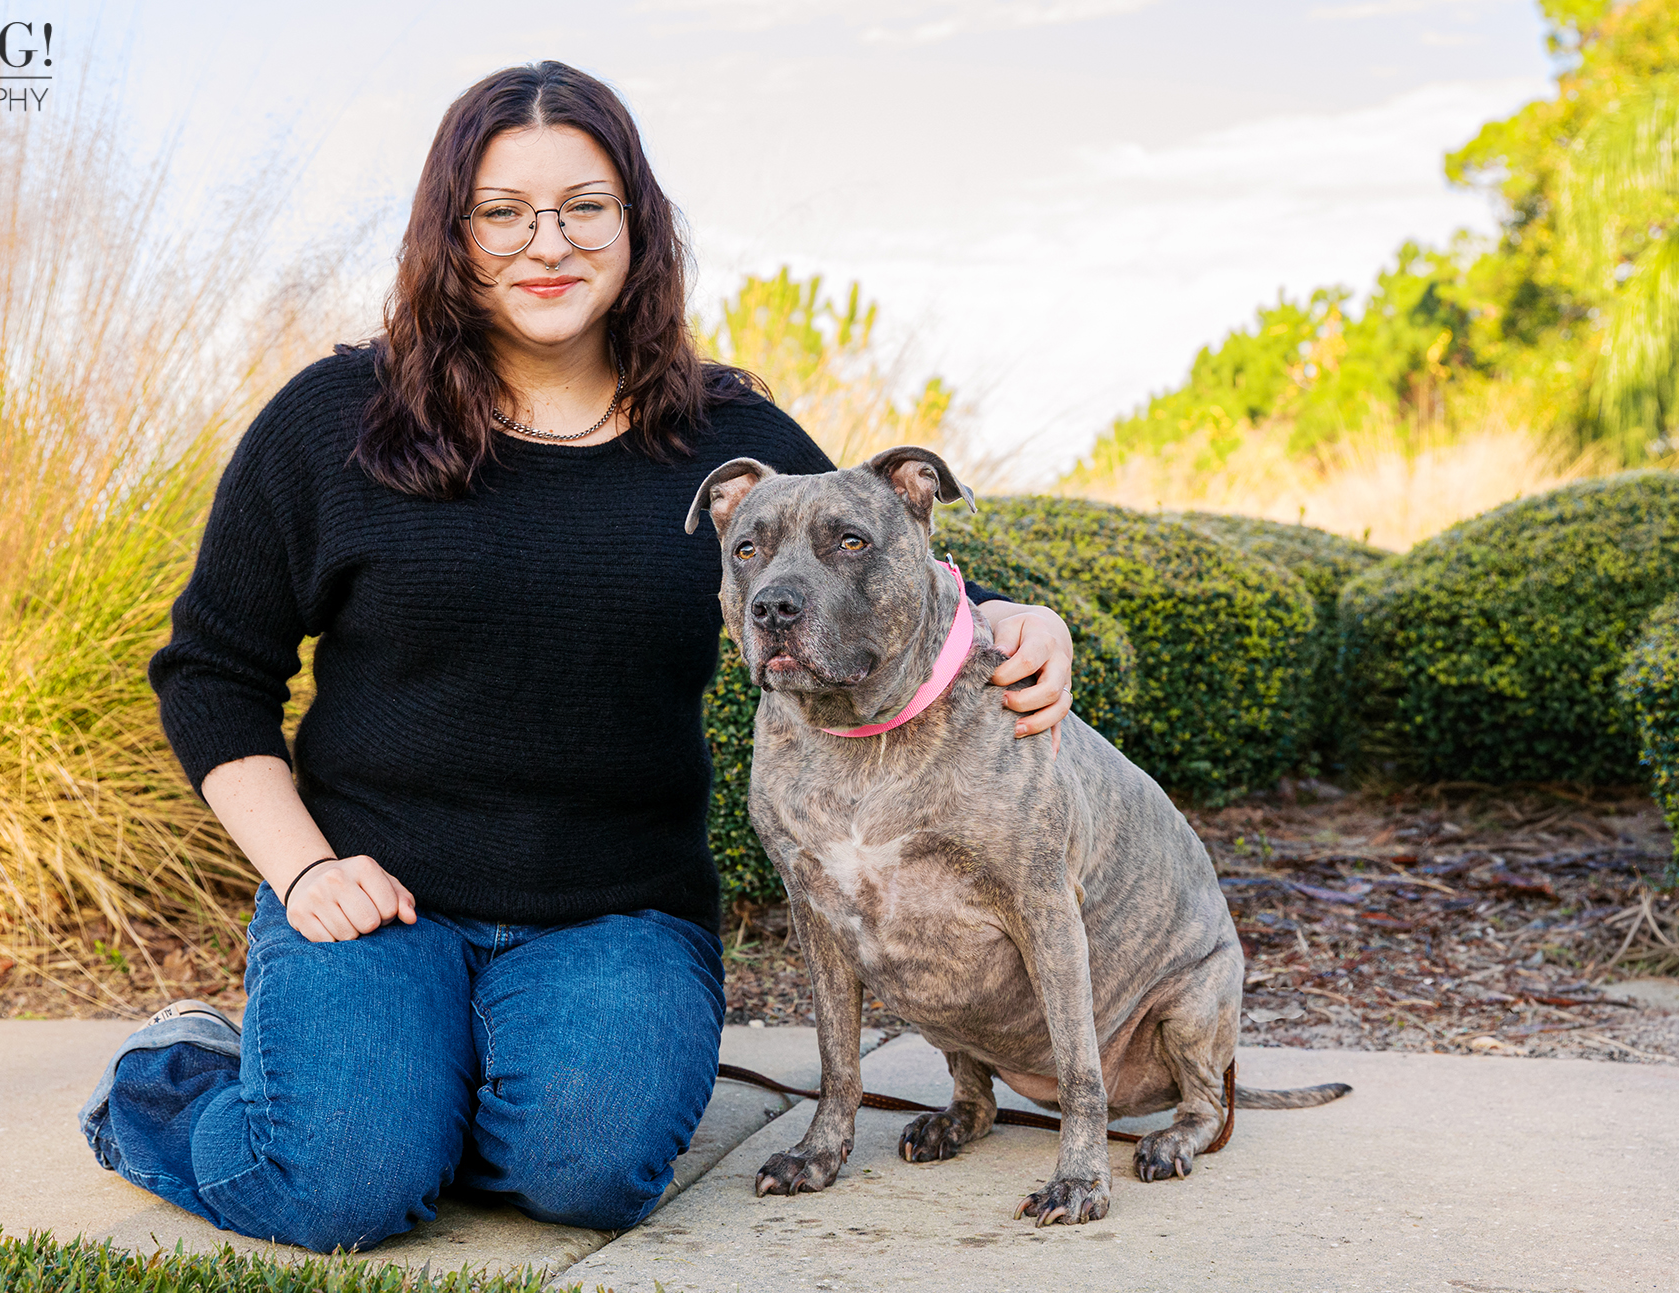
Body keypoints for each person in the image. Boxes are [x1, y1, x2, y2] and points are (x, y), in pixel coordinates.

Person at [77, 60, 1075, 1253]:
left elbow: (875, 564)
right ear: (451, 235)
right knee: (340, 1185)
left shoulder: (729, 438)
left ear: (636, 224)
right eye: (501, 212)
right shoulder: (333, 421)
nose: (544, 243)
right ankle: (172, 1075)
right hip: (371, 893)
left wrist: (1024, 620)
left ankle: (438, 1085)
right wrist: (304, 874)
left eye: (583, 205)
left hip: (617, 915)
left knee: (585, 1172)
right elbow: (211, 672)